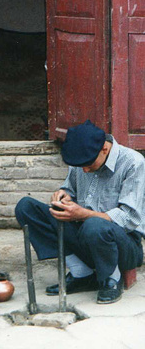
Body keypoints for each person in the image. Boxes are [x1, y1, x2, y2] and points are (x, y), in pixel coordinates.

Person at [15, 120, 145, 304]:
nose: (84, 169)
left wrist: (83, 214)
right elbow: (71, 190)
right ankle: (81, 273)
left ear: (105, 150)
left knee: (95, 224)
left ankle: (111, 278)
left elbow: (130, 218)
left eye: (89, 165)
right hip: (85, 236)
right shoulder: (82, 158)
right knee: (26, 207)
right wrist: (64, 197)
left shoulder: (133, 163)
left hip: (123, 247)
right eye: (81, 165)